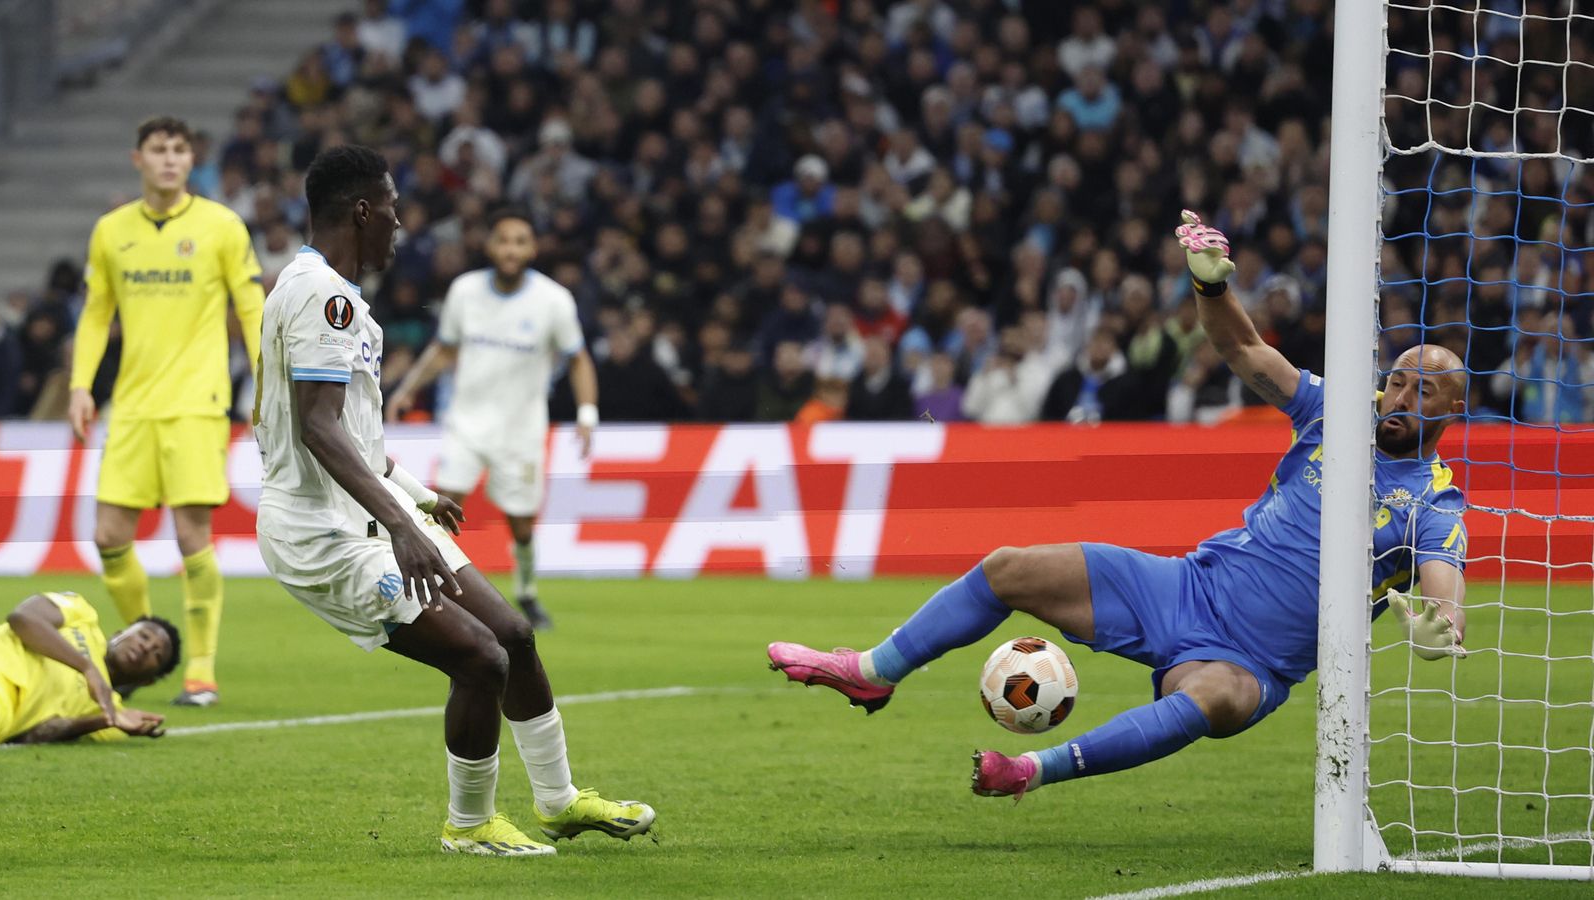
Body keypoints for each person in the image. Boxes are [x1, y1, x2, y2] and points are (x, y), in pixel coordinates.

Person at [767, 210, 1471, 801]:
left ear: (1452, 411)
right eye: (1398, 381)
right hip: (1185, 587)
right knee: (1010, 567)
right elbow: (1243, 347)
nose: (1402, 397)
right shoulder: (1334, 413)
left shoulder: (1433, 502)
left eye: (1424, 392)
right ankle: (871, 673)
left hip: (1254, 662)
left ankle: (1029, 771)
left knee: (1211, 700)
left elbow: (1446, 590)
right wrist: (1209, 285)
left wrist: (1438, 627)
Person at [253, 145, 652, 856]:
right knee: (480, 659)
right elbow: (317, 428)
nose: (399, 225)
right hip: (323, 534)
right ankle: (468, 826)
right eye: (393, 211)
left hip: (373, 512)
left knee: (515, 637)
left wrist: (418, 497)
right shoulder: (323, 297)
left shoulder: (329, 292)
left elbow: (356, 436)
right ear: (363, 211)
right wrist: (402, 524)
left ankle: (559, 802)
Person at [68, 116, 265, 708]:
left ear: (190, 160)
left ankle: (200, 670)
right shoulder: (112, 231)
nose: (171, 159)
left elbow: (250, 305)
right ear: (139, 159)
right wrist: (81, 386)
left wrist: (267, 380)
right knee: (108, 536)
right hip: (132, 405)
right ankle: (144, 644)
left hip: (197, 403)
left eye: (180, 149)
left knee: (190, 534)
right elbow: (96, 313)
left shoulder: (221, 225)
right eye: (159, 149)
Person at [387, 209, 598, 630]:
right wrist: (407, 387)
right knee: (441, 508)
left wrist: (587, 413)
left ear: (532, 249)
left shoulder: (554, 300)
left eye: (520, 241)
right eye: (504, 240)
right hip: (466, 423)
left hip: (521, 431)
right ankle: (439, 594)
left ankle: (527, 592)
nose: (511, 250)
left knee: (521, 526)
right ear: (489, 246)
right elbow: (444, 349)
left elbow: (577, 359)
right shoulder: (465, 292)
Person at [0, 591, 179, 744]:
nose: (146, 647)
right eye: (144, 636)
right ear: (118, 634)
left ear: (147, 681)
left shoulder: (107, 710)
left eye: (157, 655)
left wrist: (104, 721)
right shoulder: (83, 614)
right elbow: (23, 618)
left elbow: (30, 736)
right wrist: (87, 667)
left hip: (2, 711)